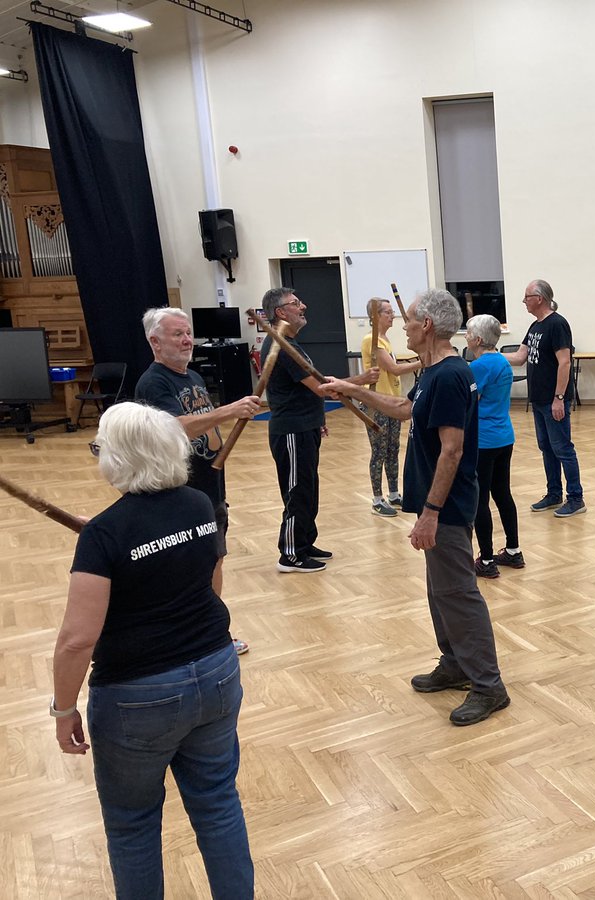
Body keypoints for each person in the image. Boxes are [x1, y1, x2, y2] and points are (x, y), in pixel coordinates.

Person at [52, 402, 253, 898]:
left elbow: (79, 638)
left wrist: (62, 708)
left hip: (138, 696)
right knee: (217, 803)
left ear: (117, 458)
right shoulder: (198, 505)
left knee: (132, 823)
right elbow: (205, 578)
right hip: (217, 672)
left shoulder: (105, 535)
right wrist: (109, 537)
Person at [321, 290, 510, 726]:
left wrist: (430, 512)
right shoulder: (432, 372)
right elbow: (406, 408)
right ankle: (456, 663)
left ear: (426, 325)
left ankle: (488, 685)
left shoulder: (448, 375)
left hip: (445, 506)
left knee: (459, 595)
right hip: (439, 504)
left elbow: (452, 450)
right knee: (439, 590)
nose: (402, 325)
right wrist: (352, 389)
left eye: (408, 319)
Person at [134, 307, 262, 655]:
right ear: (155, 342)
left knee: (215, 559)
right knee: (191, 567)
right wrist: (230, 410)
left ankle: (213, 632)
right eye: (178, 334)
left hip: (210, 487)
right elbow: (171, 426)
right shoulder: (153, 382)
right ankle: (197, 637)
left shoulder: (192, 378)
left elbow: (204, 426)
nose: (188, 340)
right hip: (181, 494)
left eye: (188, 332)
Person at [261, 287, 375, 573]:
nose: (303, 307)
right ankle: (290, 554)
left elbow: (306, 390)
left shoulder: (291, 343)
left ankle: (304, 542)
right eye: (295, 303)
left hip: (305, 425)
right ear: (280, 312)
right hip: (291, 429)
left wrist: (317, 419)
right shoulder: (281, 346)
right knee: (297, 490)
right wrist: (360, 379)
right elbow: (320, 387)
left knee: (309, 489)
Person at [503, 279, 585, 518]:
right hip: (538, 400)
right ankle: (553, 493)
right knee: (546, 448)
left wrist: (559, 398)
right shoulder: (535, 326)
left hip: (554, 400)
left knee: (563, 448)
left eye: (526, 297)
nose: (524, 302)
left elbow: (565, 362)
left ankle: (576, 498)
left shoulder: (557, 324)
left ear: (539, 298)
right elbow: (520, 357)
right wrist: (488, 355)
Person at [466, 313, 523, 578]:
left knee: (480, 499)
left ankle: (486, 560)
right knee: (502, 493)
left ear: (477, 339)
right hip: (504, 437)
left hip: (484, 441)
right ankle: (513, 550)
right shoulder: (502, 361)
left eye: (467, 334)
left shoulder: (479, 367)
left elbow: (469, 401)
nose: (465, 338)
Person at [361, 297, 421, 518]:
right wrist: (423, 360)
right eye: (387, 312)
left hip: (392, 401)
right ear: (375, 317)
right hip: (376, 403)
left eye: (391, 311)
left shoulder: (385, 340)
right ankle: (377, 499)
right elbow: (394, 369)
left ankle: (394, 494)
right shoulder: (372, 340)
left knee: (393, 449)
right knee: (379, 451)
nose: (392, 315)